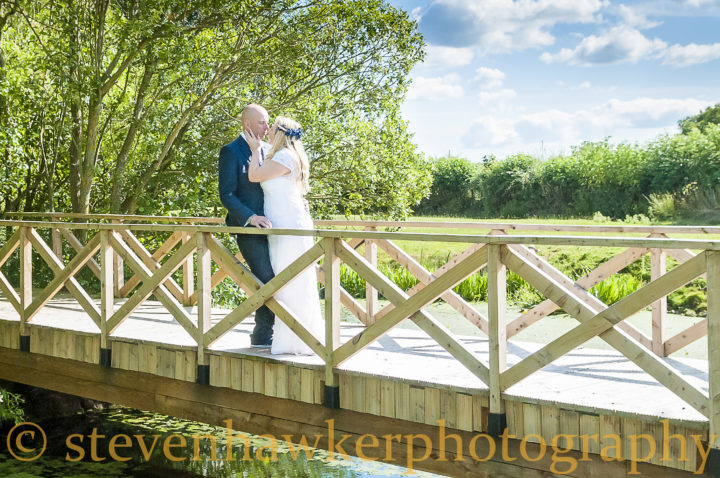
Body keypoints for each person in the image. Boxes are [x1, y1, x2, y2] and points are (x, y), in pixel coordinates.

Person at [245, 116, 323, 355]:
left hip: (289, 225)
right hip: (282, 222)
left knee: (292, 280)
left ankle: (298, 339)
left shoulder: (285, 157)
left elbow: (254, 176)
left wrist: (255, 149)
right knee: (284, 278)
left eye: (272, 128)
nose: (267, 132)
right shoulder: (281, 155)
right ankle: (291, 336)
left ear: (280, 133)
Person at [218, 104, 275, 347]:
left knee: (280, 278)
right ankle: (263, 335)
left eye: (268, 122)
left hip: (275, 227)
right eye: (262, 122)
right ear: (247, 124)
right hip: (248, 229)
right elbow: (227, 194)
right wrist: (251, 217)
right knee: (266, 280)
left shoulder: (270, 150)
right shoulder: (231, 151)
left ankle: (272, 335)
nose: (267, 127)